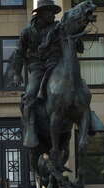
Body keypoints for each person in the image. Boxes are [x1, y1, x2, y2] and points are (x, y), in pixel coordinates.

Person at [12, 0, 63, 148]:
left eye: (54, 12)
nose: (53, 15)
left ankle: (89, 118)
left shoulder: (58, 28)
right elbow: (19, 53)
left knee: (77, 85)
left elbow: (71, 42)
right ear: (41, 13)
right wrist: (17, 73)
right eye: (50, 12)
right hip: (37, 67)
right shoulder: (27, 32)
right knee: (30, 95)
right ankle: (30, 127)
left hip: (55, 64)